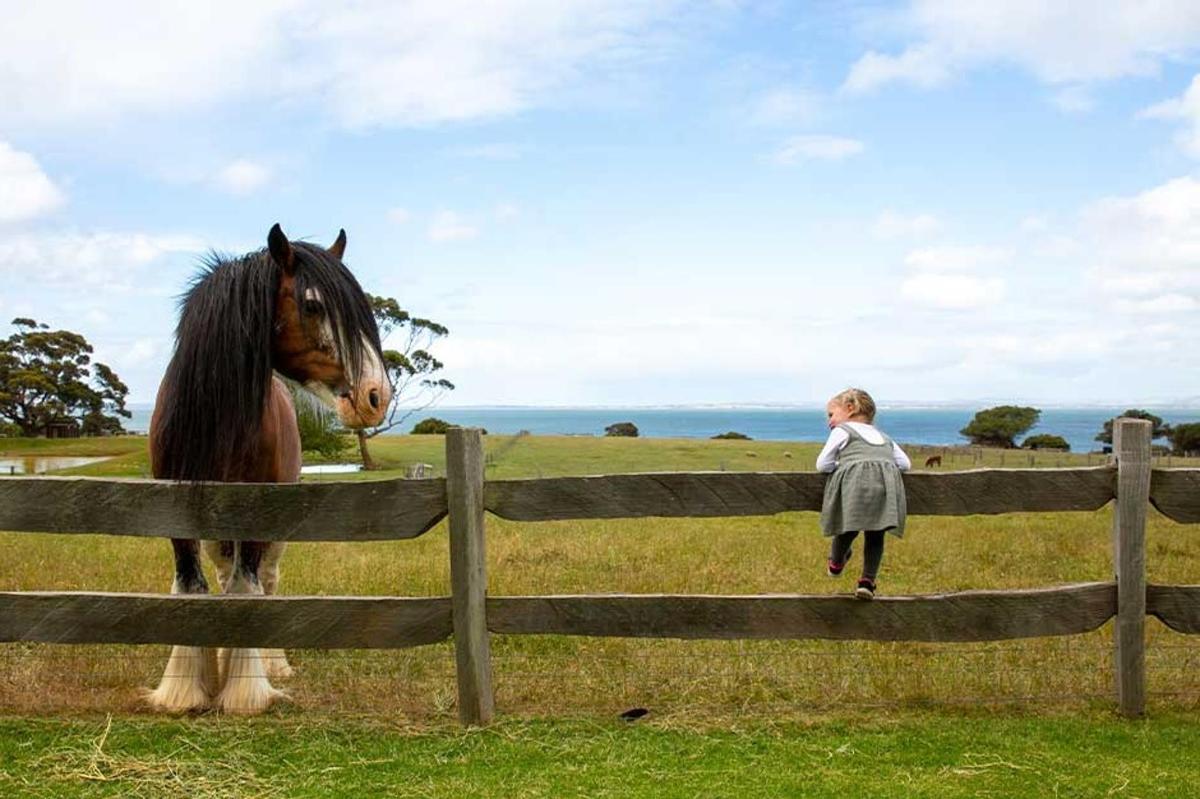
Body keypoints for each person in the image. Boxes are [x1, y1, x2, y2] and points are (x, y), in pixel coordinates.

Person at [816, 388, 910, 599]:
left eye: (831, 414)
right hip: (883, 492)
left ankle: (837, 561)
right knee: (876, 535)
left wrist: (845, 465)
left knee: (846, 528)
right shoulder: (884, 436)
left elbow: (822, 464)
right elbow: (905, 464)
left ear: (850, 408)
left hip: (854, 490)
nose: (829, 421)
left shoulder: (843, 431)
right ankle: (867, 581)